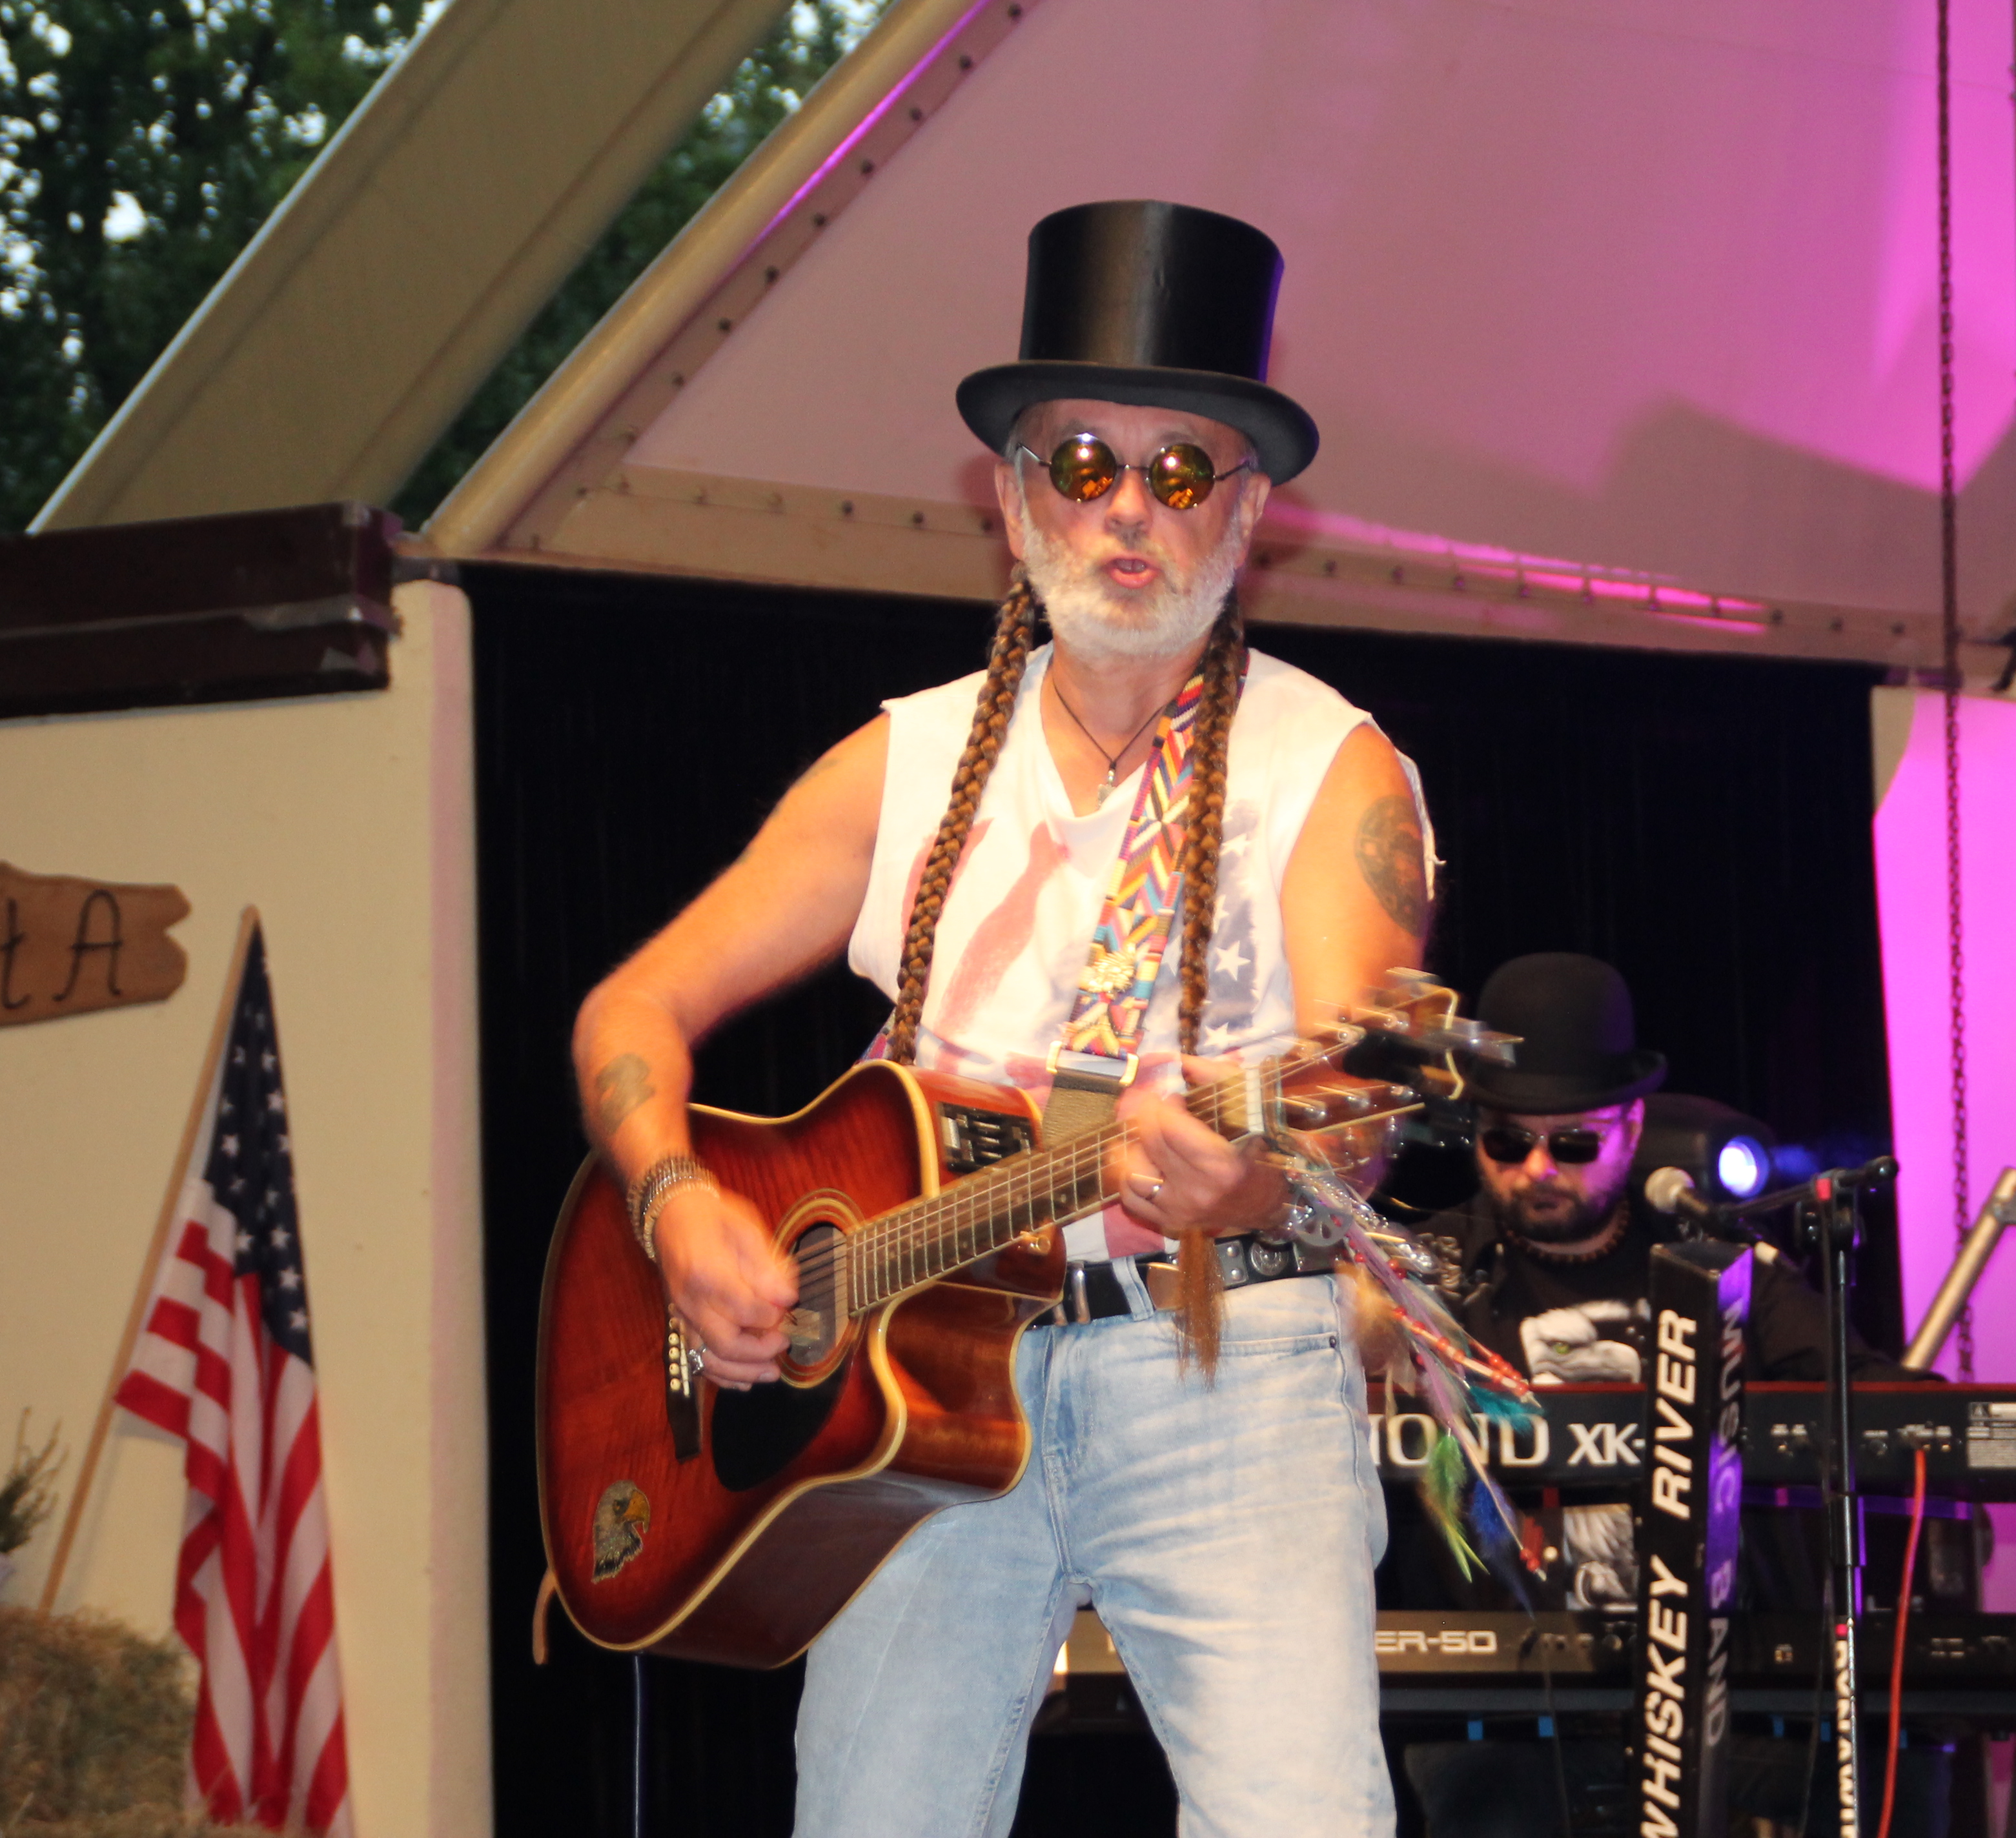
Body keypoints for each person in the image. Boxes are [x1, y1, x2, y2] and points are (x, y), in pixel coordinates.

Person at [573, 200, 1430, 1838]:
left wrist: (1250, 1177)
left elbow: (1366, 1095)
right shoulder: (902, 758)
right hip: (913, 1380)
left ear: (1248, 504)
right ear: (1015, 490)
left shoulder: (1331, 766)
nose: (1130, 507)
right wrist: (676, 1202)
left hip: (1222, 1357)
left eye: (1182, 470)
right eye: (1084, 462)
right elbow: (636, 1003)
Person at [1402, 951, 1949, 1838]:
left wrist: (1947, 1423)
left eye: (1573, 1144)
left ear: (1630, 1130)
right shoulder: (1428, 1277)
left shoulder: (1724, 1264)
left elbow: (1871, 1395)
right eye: (1508, 1142)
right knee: (1487, 1790)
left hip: (1731, 1676)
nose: (1538, 1167)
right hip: (1511, 1699)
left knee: (1891, 1765)